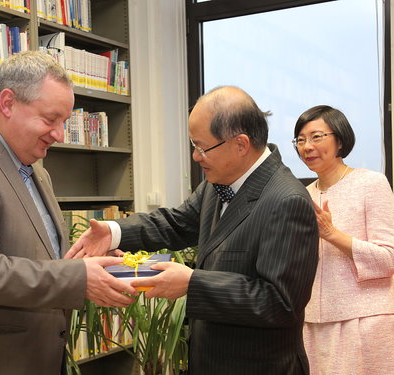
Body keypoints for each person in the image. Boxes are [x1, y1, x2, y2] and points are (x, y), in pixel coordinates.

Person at [66, 86, 319, 374]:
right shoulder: (219, 181)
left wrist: (192, 283)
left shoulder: (287, 200)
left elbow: (280, 303)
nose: (196, 156)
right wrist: (113, 231)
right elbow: (176, 223)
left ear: (240, 144)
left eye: (201, 147)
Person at [0, 51, 137, 375]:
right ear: (7, 103)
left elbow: (33, 260)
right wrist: (78, 277)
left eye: (64, 122)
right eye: (50, 120)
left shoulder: (36, 173)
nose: (60, 134)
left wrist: (88, 264)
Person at [293, 105, 394, 375]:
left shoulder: (371, 183)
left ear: (340, 139)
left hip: (364, 319)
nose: (307, 147)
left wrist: (332, 234)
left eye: (316, 137)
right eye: (300, 140)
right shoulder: (302, 195)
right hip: (313, 320)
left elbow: (388, 259)